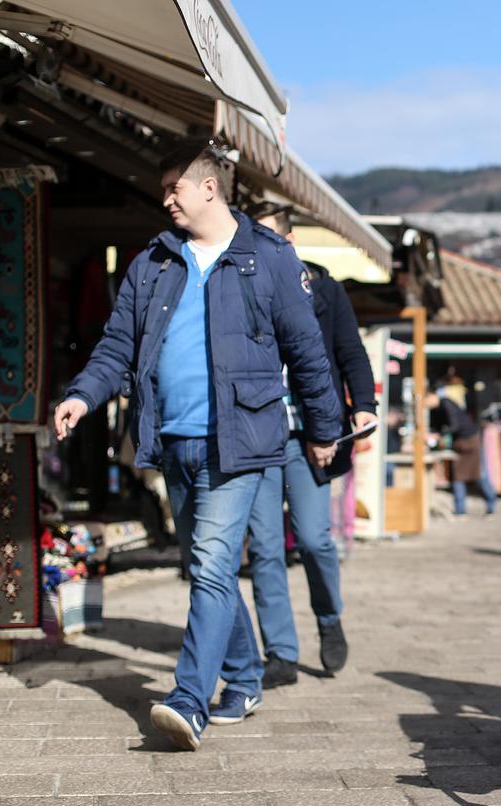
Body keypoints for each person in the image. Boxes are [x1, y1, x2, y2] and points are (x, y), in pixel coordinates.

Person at [53, 144, 342, 750]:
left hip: (240, 443)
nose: (165, 199)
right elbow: (116, 346)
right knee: (206, 568)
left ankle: (189, 699)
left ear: (209, 187)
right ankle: (245, 678)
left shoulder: (270, 258)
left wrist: (323, 432)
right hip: (171, 441)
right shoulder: (153, 263)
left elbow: (308, 354)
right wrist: (82, 395)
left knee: (211, 567)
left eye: (173, 187)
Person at [245, 211, 378, 689]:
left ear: (289, 238)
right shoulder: (240, 290)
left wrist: (363, 406)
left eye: (270, 235)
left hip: (311, 436)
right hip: (257, 435)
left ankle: (328, 616)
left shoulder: (324, 289)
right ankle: (280, 652)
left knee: (313, 539)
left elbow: (351, 352)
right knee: (264, 547)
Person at [426, 390, 496, 516]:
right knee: (457, 477)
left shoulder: (446, 404)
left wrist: (438, 435)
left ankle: (491, 504)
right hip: (458, 444)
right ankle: (460, 510)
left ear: (431, 396)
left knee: (478, 475)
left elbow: (455, 425)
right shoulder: (436, 410)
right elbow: (437, 426)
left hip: (470, 441)